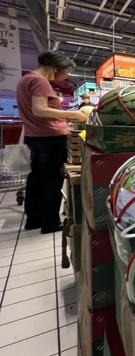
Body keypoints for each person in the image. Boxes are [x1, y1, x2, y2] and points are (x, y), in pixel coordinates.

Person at [17, 51, 88, 233]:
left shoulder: (26, 79)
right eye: (67, 72)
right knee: (52, 180)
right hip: (50, 137)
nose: (66, 76)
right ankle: (50, 223)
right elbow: (39, 110)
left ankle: (34, 220)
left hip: (34, 136)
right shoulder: (39, 81)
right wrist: (73, 114)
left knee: (36, 178)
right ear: (57, 69)